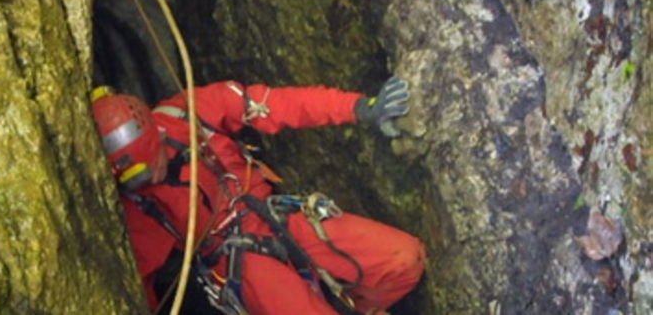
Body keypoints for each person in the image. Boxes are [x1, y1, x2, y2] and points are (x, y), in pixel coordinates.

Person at [91, 77, 425, 315]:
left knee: (404, 260)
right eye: (140, 179)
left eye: (150, 170)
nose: (153, 179)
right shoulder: (140, 208)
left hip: (275, 215)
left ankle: (350, 304)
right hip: (238, 263)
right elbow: (139, 290)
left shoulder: (189, 112)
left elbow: (281, 105)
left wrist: (358, 107)